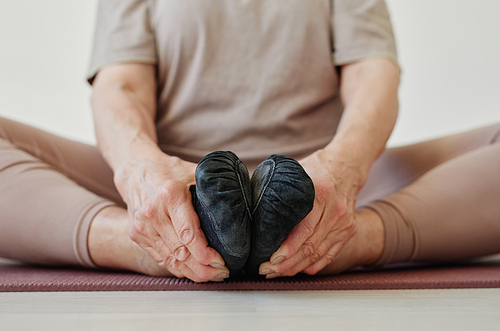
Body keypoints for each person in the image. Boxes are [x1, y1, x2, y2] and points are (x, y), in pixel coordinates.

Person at [0, 0, 499, 283]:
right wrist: (143, 176)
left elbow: (373, 76)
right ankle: (140, 242)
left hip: (315, 186)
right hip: (174, 184)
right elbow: (121, 86)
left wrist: (342, 172)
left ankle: (347, 238)